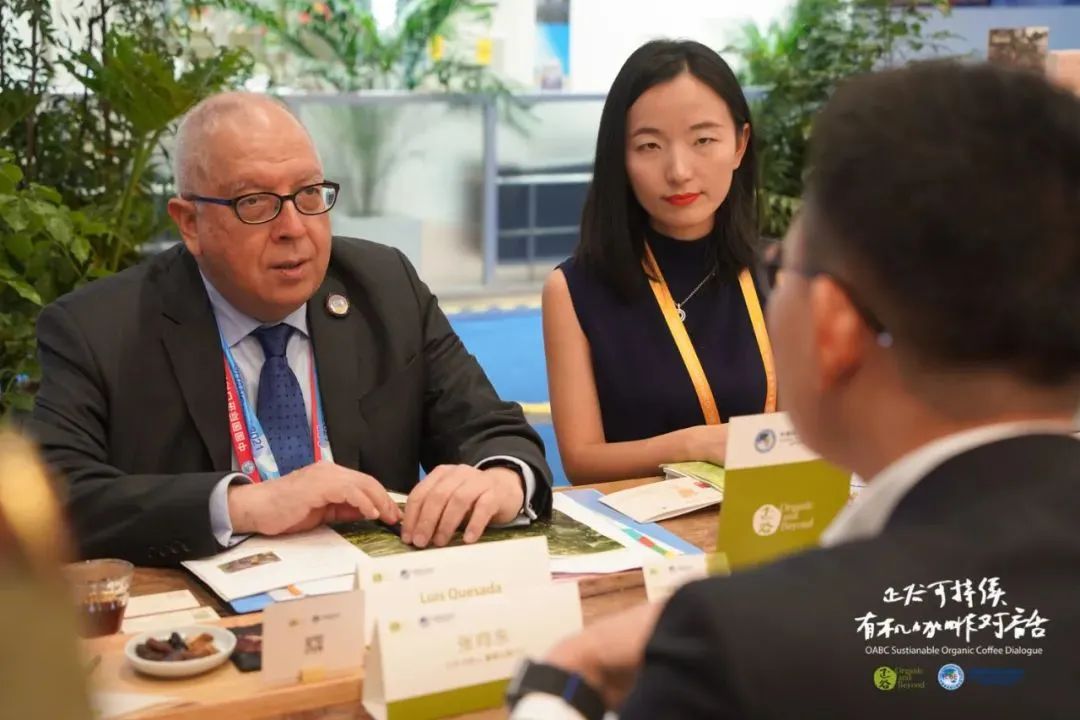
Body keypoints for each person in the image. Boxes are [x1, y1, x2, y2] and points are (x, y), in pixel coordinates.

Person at [513, 61, 1080, 717]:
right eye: (649, 145)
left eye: (787, 266)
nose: (680, 169)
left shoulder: (740, 648)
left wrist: (559, 680)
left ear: (832, 324)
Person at [28, 93, 552, 567]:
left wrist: (501, 480)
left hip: (377, 603)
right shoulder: (99, 329)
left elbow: (493, 430)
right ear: (190, 223)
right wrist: (246, 505)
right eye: (255, 202)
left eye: (309, 194)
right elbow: (50, 498)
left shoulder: (385, 287)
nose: (294, 228)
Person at [542, 40, 776, 485]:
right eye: (649, 145)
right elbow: (582, 461)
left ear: (740, 145)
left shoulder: (786, 272)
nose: (679, 170)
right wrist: (693, 446)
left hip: (775, 514)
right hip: (642, 525)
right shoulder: (574, 290)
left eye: (703, 140)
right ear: (620, 157)